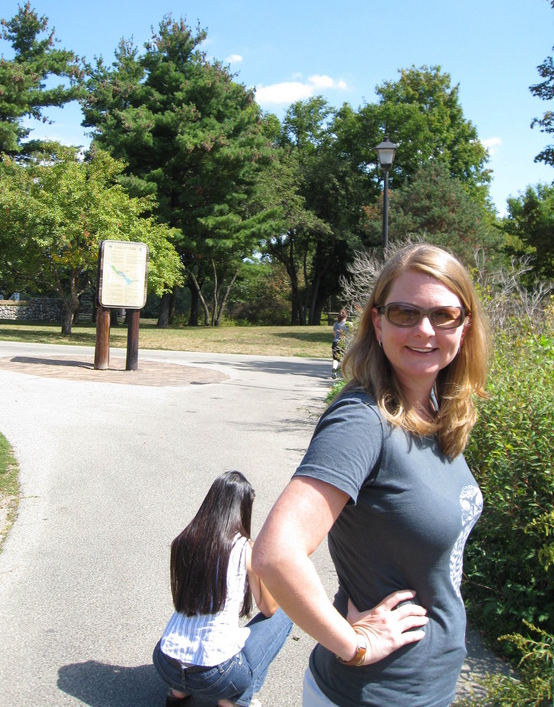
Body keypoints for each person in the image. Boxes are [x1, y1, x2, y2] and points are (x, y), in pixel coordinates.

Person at [253, 243, 490, 707]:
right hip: (373, 694)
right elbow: (276, 554)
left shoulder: (435, 409)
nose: (425, 329)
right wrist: (354, 644)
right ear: (377, 322)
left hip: (427, 686)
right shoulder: (363, 420)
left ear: (465, 326)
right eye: (405, 312)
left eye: (444, 314)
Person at [153, 471, 292, 707]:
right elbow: (269, 609)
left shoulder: (184, 541)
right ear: (242, 509)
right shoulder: (246, 549)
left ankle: (178, 692)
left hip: (166, 662)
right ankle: (234, 700)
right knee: (285, 614)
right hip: (215, 675)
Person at [331, 309, 349, 379]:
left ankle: (334, 370)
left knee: (335, 358)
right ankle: (343, 373)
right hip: (343, 343)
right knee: (344, 358)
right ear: (346, 316)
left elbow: (335, 334)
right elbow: (348, 334)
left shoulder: (336, 324)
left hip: (335, 342)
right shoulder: (347, 325)